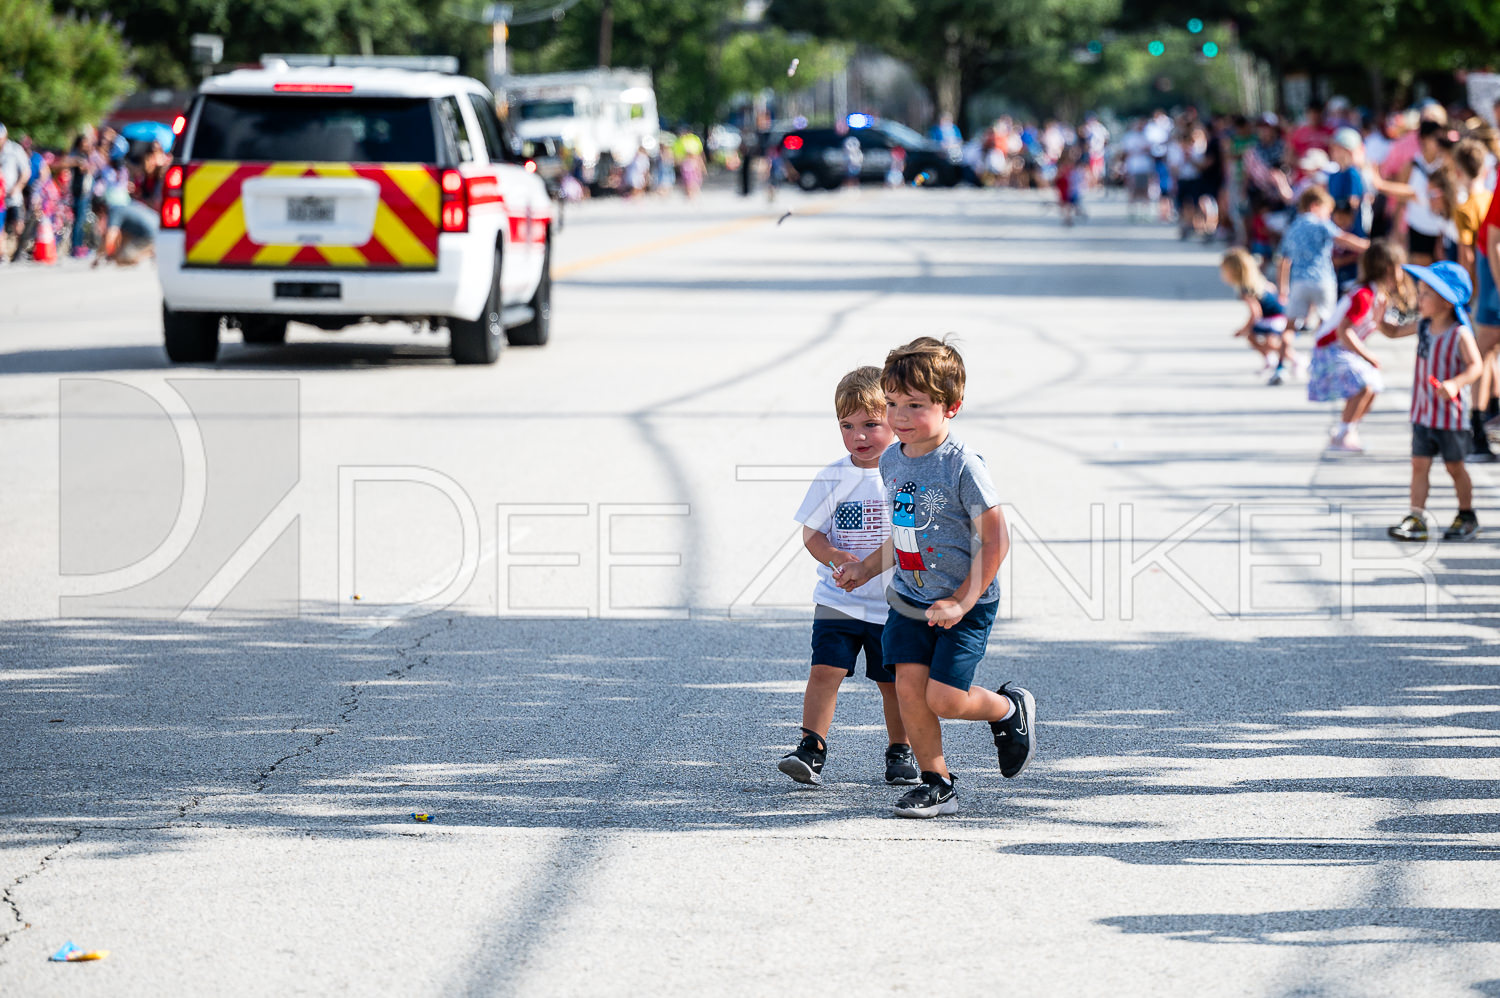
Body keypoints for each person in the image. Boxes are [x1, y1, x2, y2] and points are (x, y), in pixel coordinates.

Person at [835, 337, 1034, 819]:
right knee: (908, 691)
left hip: (965, 601)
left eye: (916, 405)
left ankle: (1008, 710)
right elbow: (907, 533)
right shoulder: (893, 459)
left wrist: (964, 602)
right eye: (894, 404)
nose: (900, 417)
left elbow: (996, 538)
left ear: (952, 407)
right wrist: (866, 567)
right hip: (908, 599)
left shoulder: (962, 464)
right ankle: (936, 781)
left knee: (943, 698)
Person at [778, 367, 919, 788]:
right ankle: (811, 749)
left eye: (871, 424)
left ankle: (900, 750)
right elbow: (812, 532)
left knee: (891, 683)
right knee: (825, 670)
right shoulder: (834, 477)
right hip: (839, 598)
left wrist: (869, 568)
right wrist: (838, 558)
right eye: (848, 425)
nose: (859, 436)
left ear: (894, 419)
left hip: (892, 602)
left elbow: (908, 538)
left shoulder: (904, 476)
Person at [1380, 261, 1484, 541]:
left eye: (1426, 293)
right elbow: (1392, 332)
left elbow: (1476, 366)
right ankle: (1417, 517)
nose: (1420, 298)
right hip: (1423, 413)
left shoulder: (1459, 333)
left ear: (1447, 302)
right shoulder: (1423, 325)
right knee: (1419, 464)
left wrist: (1455, 383)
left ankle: (1466, 515)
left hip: (1450, 417)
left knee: (1454, 467)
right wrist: (1380, 316)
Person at [1307, 241, 1405, 452]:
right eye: (1399, 267)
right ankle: (1343, 432)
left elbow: (1384, 327)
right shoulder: (1364, 296)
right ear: (1388, 268)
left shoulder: (1376, 295)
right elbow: (1345, 331)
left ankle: (1348, 429)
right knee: (1364, 384)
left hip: (1342, 348)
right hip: (1330, 349)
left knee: (1374, 386)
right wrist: (1368, 356)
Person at [1275, 186, 1371, 384]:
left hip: (1299, 281)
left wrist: (1282, 288)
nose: (1329, 215)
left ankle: (1281, 367)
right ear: (1315, 206)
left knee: (1290, 326)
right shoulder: (1320, 223)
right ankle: (1322, 367)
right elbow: (1342, 239)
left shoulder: (1292, 227)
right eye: (1328, 210)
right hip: (1323, 280)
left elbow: (1283, 260)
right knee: (1326, 326)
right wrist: (1368, 246)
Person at [1220, 247, 1287, 372]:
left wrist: (1244, 329)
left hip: (1274, 318)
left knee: (1268, 341)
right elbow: (1272, 289)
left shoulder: (1246, 289)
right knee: (1256, 337)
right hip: (1276, 315)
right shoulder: (1258, 281)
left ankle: (1292, 358)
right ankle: (1271, 359)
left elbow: (1255, 313)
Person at [0, 124, 32, 262]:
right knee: (1, 227)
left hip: (13, 194)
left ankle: (20, 251)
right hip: (0, 196)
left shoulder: (14, 150)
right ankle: (2, 254)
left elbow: (26, 172)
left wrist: (17, 188)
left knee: (18, 224)